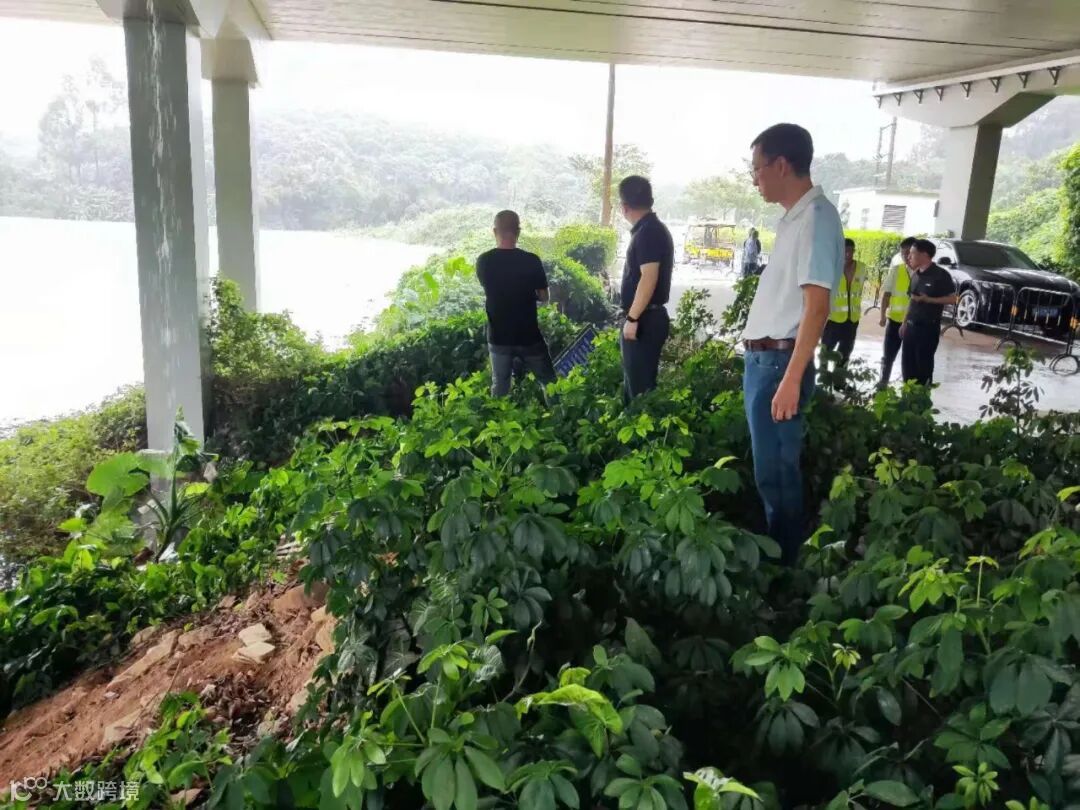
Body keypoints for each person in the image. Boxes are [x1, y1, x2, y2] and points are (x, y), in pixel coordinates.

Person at [742, 123, 844, 567]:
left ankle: (785, 569)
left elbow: (816, 307)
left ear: (781, 165)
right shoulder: (794, 219)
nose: (755, 179)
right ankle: (780, 556)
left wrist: (791, 378)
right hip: (765, 362)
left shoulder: (817, 218)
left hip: (779, 364)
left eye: (757, 169)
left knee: (778, 472)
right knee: (768, 469)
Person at [475, 210, 556, 397]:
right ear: (518, 232)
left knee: (500, 387)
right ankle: (559, 414)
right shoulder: (531, 261)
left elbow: (491, 289)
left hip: (498, 336)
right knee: (550, 383)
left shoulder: (484, 261)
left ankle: (498, 416)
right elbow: (544, 296)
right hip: (529, 336)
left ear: (495, 232)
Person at [618, 175, 674, 401]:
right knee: (635, 385)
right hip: (645, 317)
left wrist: (632, 318)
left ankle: (640, 425)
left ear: (624, 207)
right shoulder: (650, 229)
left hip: (644, 320)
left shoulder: (648, 232)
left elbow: (648, 278)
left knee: (640, 393)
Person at [900, 239, 958, 386]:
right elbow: (912, 300)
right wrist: (904, 322)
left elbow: (953, 299)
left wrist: (929, 300)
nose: (909, 257)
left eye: (912, 253)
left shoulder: (940, 275)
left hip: (927, 329)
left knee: (923, 368)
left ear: (924, 255)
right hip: (910, 327)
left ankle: (922, 398)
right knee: (907, 368)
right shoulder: (915, 274)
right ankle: (907, 397)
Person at [877, 236, 917, 388]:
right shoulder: (896, 270)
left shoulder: (923, 272)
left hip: (913, 324)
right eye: (902, 253)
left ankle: (909, 389)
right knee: (888, 356)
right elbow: (886, 295)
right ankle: (883, 384)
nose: (905, 256)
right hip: (894, 321)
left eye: (908, 253)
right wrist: (882, 316)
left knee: (910, 360)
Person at [820, 238, 866, 365]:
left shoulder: (862, 268)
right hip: (833, 319)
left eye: (850, 251)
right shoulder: (831, 268)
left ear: (854, 251)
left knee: (845, 353)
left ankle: (840, 376)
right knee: (825, 352)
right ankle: (823, 376)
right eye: (844, 251)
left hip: (852, 320)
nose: (847, 254)